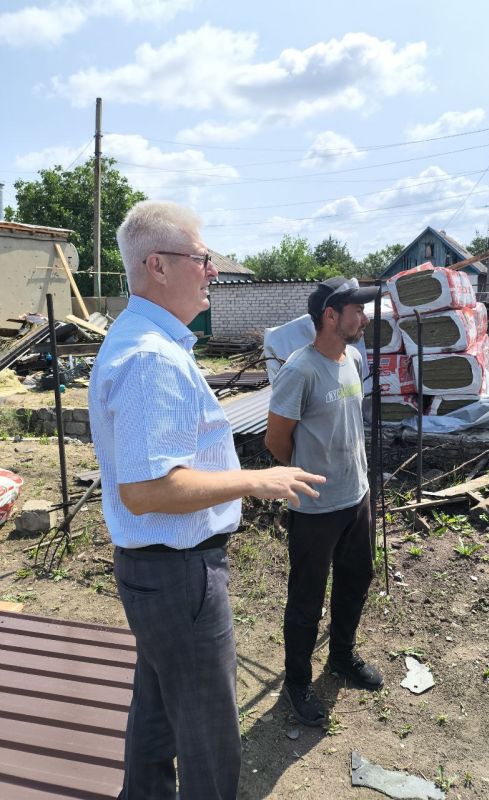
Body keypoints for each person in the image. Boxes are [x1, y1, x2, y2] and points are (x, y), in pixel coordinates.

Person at [88, 200, 325, 800]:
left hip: (157, 574)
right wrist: (256, 480)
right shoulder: (151, 360)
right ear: (158, 266)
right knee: (209, 736)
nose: (213, 271)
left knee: (160, 705)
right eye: (202, 258)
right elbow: (147, 490)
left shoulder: (145, 338)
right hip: (179, 575)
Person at [265, 276, 384, 728]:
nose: (365, 318)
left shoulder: (352, 357)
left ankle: (341, 656)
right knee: (306, 599)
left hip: (356, 496)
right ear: (330, 316)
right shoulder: (300, 369)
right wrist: (307, 475)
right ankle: (298, 682)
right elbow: (277, 442)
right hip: (314, 505)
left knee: (357, 577)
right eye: (357, 310)